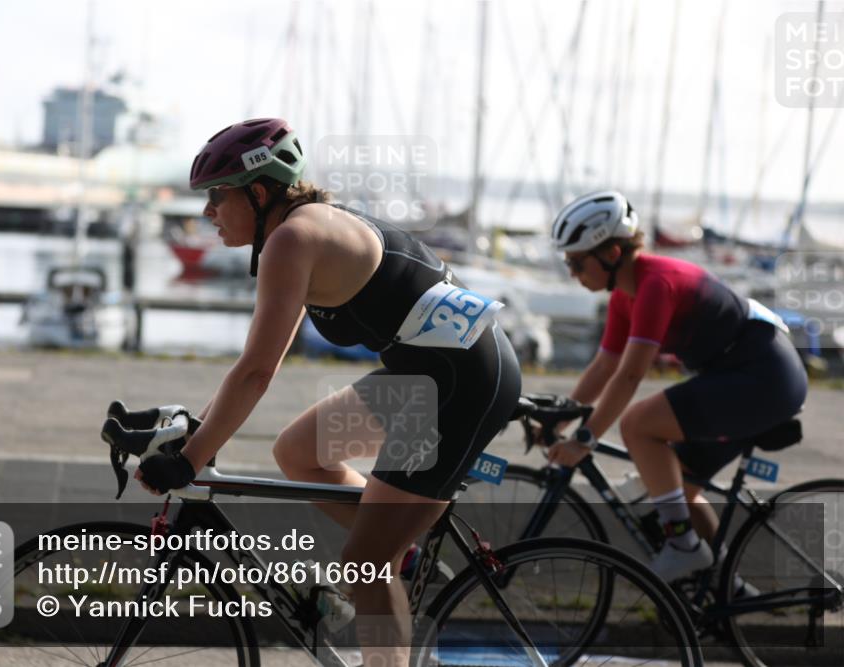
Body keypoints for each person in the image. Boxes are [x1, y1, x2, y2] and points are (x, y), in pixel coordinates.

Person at [129, 118, 521, 664]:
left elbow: (255, 372)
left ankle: (387, 565)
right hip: (429, 378)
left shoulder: (293, 238)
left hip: (459, 387)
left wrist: (190, 459)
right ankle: (400, 555)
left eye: (217, 196)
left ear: (259, 192)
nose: (206, 213)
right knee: (298, 452)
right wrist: (198, 432)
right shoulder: (299, 229)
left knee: (364, 561)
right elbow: (255, 367)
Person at [545, 190, 808, 582]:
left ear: (612, 254)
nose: (572, 274)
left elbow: (630, 376)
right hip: (741, 375)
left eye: (576, 263)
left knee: (637, 424)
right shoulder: (624, 296)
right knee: (675, 490)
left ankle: (683, 546)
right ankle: (725, 589)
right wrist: (559, 417)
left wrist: (585, 438)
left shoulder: (656, 285)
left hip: (764, 376)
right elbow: (604, 368)